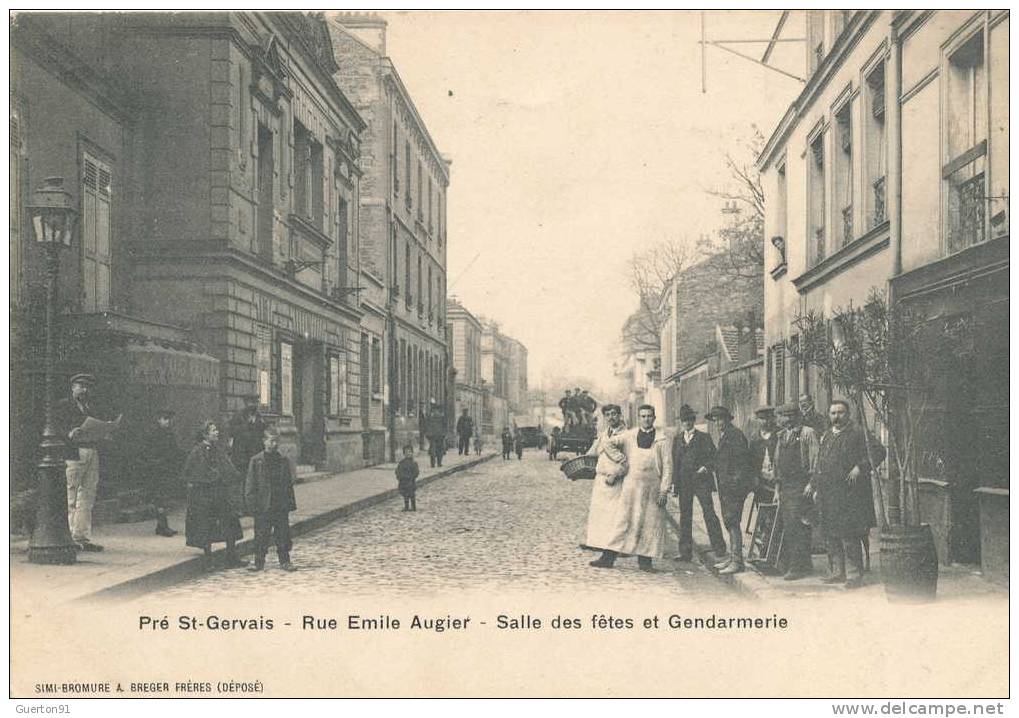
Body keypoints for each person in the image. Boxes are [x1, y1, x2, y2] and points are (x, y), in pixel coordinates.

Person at [806, 400, 885, 588]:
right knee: (831, 534)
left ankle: (853, 575)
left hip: (850, 494)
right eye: (833, 413)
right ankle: (837, 572)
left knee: (849, 534)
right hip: (828, 494)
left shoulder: (858, 433)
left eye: (840, 413)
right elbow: (820, 464)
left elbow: (880, 451)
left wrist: (861, 467)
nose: (836, 417)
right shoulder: (827, 436)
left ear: (848, 414)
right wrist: (815, 486)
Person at [589, 404, 672, 572]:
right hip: (631, 486)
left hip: (652, 488)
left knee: (649, 525)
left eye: (649, 416)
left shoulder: (662, 440)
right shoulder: (630, 435)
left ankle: (645, 563)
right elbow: (606, 443)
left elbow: (668, 467)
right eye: (643, 416)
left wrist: (664, 490)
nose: (646, 419)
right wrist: (620, 458)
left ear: (654, 418)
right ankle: (608, 558)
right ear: (639, 418)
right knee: (623, 521)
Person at [55, 372, 115, 552]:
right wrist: (69, 433)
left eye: (87, 386)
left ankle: (81, 536)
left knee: (88, 494)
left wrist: (106, 431)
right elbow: (58, 427)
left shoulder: (90, 406)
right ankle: (69, 536)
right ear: (73, 387)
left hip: (91, 450)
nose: (84, 389)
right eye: (81, 386)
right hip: (74, 452)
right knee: (71, 493)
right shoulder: (63, 406)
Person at [183, 420, 246, 570]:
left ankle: (231, 557)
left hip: (221, 493)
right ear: (205, 434)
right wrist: (214, 476)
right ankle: (208, 560)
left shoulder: (218, 449)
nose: (216, 432)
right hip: (205, 496)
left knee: (230, 523)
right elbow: (192, 472)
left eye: (216, 429)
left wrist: (235, 476)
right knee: (206, 527)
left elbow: (227, 466)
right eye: (213, 430)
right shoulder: (197, 451)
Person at [671, 404, 726, 562]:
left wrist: (706, 468)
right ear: (681, 422)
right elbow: (676, 463)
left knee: (709, 512)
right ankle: (685, 552)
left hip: (701, 481)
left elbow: (714, 458)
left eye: (689, 420)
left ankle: (719, 547)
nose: (687, 423)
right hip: (684, 483)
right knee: (685, 516)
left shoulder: (704, 437)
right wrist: (675, 485)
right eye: (684, 420)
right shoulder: (678, 439)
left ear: (694, 421)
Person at [773, 402, 820, 580]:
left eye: (781, 416)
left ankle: (799, 567)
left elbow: (816, 460)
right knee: (788, 526)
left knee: (799, 527)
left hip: (802, 486)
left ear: (790, 417)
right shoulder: (782, 436)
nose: (779, 420)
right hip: (786, 486)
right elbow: (778, 464)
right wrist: (777, 489)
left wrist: (812, 484)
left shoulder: (807, 433)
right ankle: (796, 564)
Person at [707, 405, 754, 575]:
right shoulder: (725, 435)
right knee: (728, 520)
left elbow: (743, 463)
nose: (718, 423)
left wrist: (735, 485)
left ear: (727, 419)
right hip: (725, 488)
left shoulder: (735, 436)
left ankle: (737, 561)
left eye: (720, 419)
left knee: (733, 521)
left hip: (734, 489)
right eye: (715, 420)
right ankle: (733, 557)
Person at [245, 426, 297, 572]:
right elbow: (250, 486)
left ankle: (285, 561)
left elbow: (288, 485)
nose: (274, 444)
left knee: (283, 534)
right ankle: (258, 562)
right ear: (264, 441)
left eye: (277, 441)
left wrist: (290, 503)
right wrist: (253, 506)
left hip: (279, 504)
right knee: (261, 535)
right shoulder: (256, 461)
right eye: (272, 441)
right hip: (263, 505)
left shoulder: (282, 460)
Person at [583, 404, 628, 557]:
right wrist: (577, 460)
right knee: (600, 512)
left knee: (616, 514)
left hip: (615, 478)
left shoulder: (626, 435)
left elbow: (629, 460)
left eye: (614, 414)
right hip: (601, 477)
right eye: (607, 414)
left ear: (620, 415)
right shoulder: (604, 434)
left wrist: (616, 474)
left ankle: (618, 547)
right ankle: (598, 542)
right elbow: (592, 452)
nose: (611, 417)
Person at [139, 409, 182, 537]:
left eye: (169, 419)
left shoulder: (169, 433)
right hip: (156, 470)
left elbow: (174, 450)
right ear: (158, 419)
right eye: (165, 418)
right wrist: (155, 462)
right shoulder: (153, 434)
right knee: (159, 498)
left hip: (166, 470)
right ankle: (163, 526)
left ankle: (162, 525)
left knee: (164, 498)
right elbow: (146, 452)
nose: (167, 421)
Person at [228, 394, 266, 482]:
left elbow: (262, 432)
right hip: (243, 455)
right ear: (246, 403)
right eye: (251, 402)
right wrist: (248, 424)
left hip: (256, 452)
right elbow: (233, 432)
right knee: (244, 478)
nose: (254, 405)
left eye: (256, 402)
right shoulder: (239, 416)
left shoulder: (259, 416)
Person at [749, 406, 780, 509]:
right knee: (762, 514)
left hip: (776, 482)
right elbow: (751, 463)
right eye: (762, 419)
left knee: (776, 515)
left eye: (768, 418)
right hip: (761, 483)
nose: (765, 422)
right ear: (757, 420)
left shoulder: (779, 435)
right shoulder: (754, 439)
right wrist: (754, 479)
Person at [395, 444, 420, 511]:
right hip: (403, 481)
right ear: (404, 454)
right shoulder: (402, 463)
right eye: (406, 452)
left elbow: (416, 472)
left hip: (411, 481)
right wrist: (400, 477)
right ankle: (406, 507)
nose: (408, 454)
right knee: (405, 494)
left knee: (412, 494)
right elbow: (398, 471)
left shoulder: (414, 463)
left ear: (412, 453)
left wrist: (412, 476)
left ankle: (413, 506)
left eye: (410, 452)